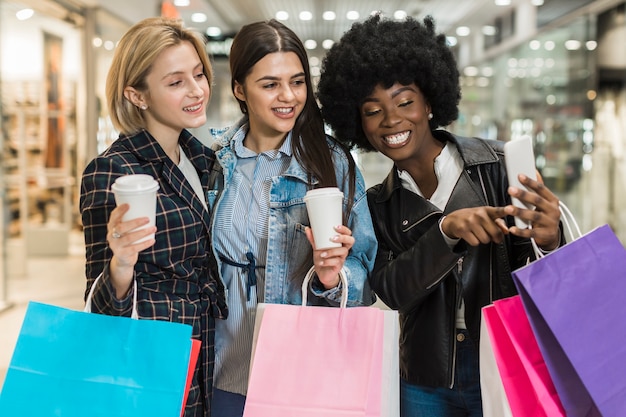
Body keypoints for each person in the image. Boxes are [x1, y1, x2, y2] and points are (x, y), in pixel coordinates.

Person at [317, 14, 563, 417]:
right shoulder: (377, 204)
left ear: (429, 102)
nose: (391, 119)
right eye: (372, 110)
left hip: (505, 361)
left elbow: (537, 266)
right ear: (358, 123)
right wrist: (446, 233)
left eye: (404, 101)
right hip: (425, 375)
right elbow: (391, 290)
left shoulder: (497, 164)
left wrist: (551, 239)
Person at [206, 19, 377, 417]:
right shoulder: (213, 162)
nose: (288, 96)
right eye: (270, 85)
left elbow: (366, 270)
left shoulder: (331, 164)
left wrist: (333, 276)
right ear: (239, 90)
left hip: (299, 376)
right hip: (219, 373)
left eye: (297, 82)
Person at [80, 17, 227, 416]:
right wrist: (122, 261)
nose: (197, 91)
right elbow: (99, 303)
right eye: (176, 82)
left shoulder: (204, 160)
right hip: (151, 356)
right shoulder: (113, 170)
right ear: (137, 95)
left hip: (210, 350)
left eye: (199, 74)